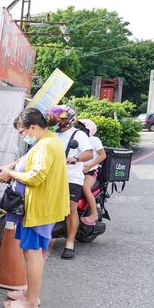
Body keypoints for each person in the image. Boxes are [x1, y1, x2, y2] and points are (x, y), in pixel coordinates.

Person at [0, 108, 69, 308]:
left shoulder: (45, 146)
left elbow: (36, 178)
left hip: (38, 208)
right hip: (40, 206)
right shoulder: (48, 140)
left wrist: (11, 174)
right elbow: (27, 161)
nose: (23, 136)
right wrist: (10, 168)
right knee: (32, 251)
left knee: (33, 253)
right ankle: (30, 293)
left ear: (33, 127)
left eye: (22, 132)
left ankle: (30, 303)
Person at [45, 105, 93, 260]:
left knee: (71, 207)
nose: (55, 120)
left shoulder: (78, 134)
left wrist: (76, 158)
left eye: (58, 118)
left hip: (72, 177)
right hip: (53, 177)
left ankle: (70, 243)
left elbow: (89, 153)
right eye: (54, 118)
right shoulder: (51, 135)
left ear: (67, 119)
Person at [76, 118, 106, 225]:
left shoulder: (94, 140)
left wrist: (89, 167)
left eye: (81, 128)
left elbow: (103, 155)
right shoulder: (76, 139)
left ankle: (94, 214)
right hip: (76, 171)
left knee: (85, 188)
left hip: (91, 172)